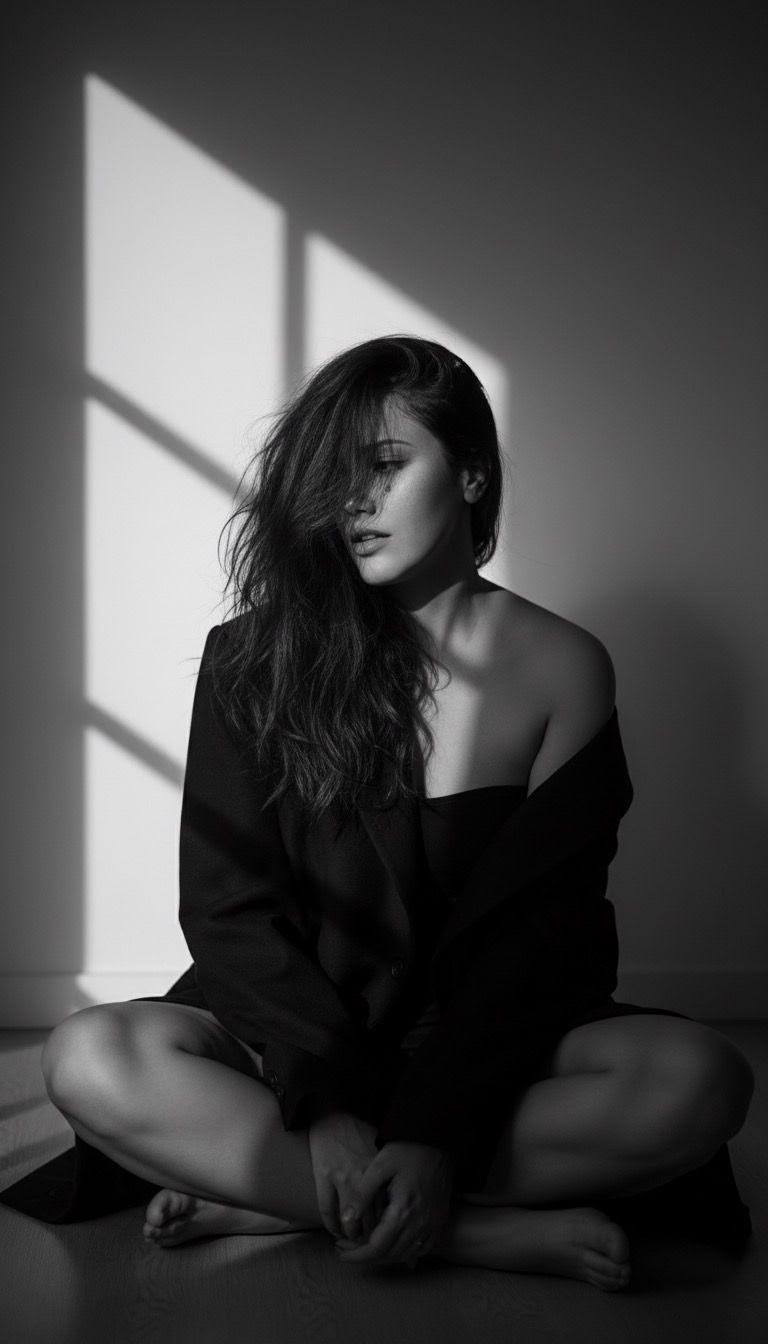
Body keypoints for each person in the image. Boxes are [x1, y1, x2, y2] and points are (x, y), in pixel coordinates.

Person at [36, 336, 754, 1290]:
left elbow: (543, 938)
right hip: (298, 1028)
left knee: (701, 1079)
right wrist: (329, 1103)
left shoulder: (564, 667)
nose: (353, 503)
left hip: (484, 1037)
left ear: (471, 472)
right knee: (89, 1056)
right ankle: (471, 1232)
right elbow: (228, 911)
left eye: (385, 465)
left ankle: (278, 1197)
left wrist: (434, 1132)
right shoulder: (254, 660)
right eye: (334, 477)